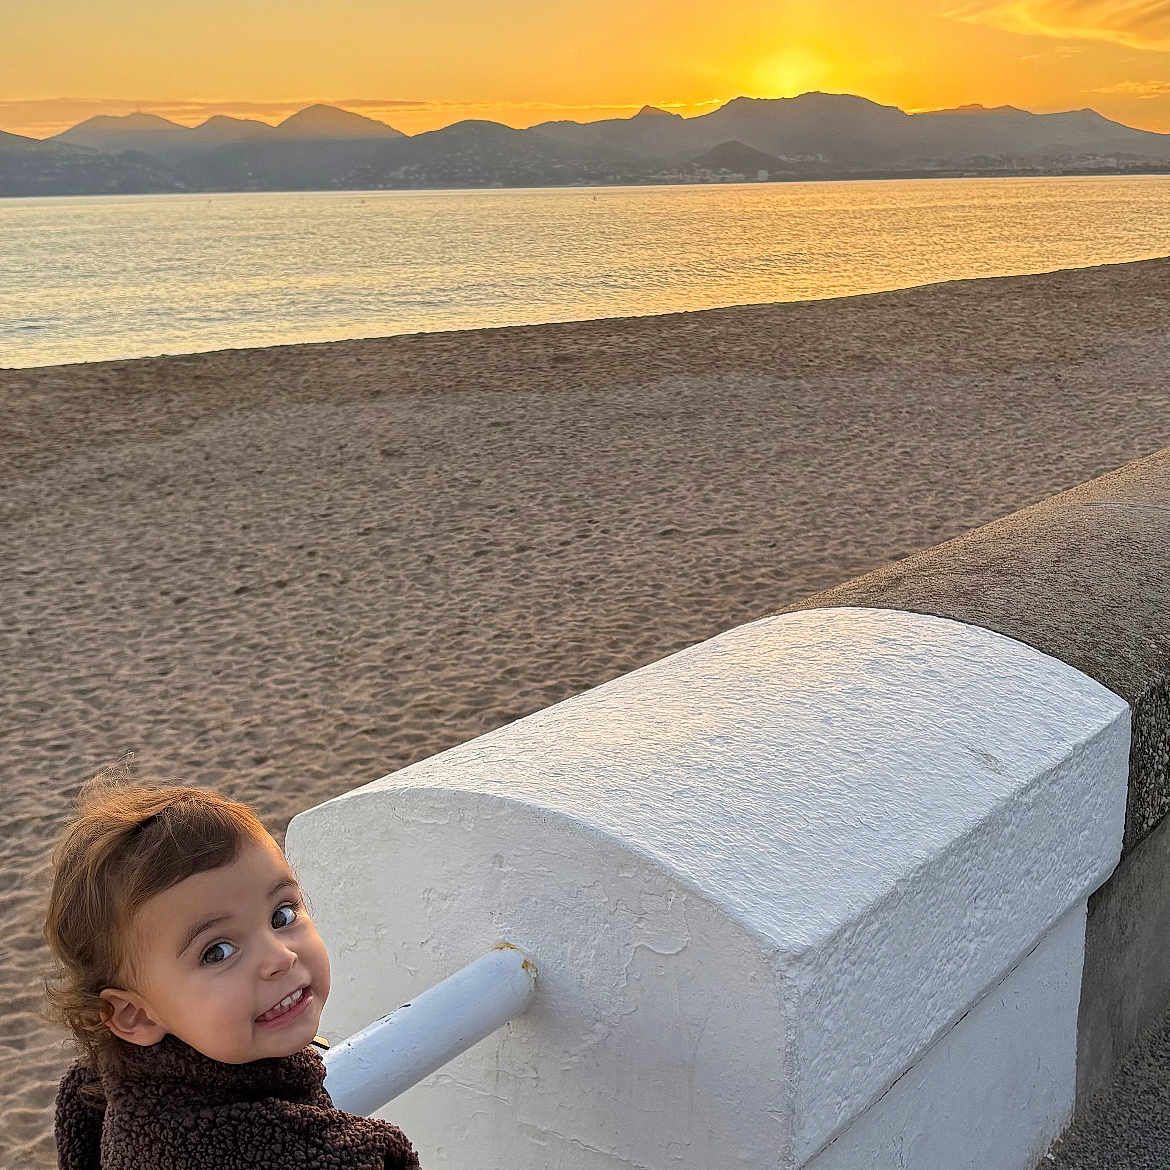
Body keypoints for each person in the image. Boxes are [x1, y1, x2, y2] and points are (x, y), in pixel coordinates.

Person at [44, 775, 420, 1169]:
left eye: (282, 915)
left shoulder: (109, 1093)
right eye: (217, 952)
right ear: (135, 1014)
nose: (280, 957)